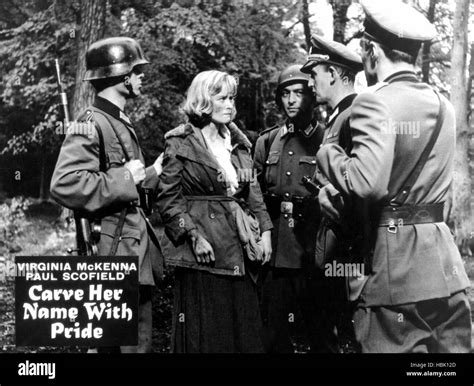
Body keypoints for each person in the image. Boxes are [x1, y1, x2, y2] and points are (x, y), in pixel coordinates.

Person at [315, 0, 472, 353]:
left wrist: (329, 154)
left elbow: (368, 184)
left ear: (371, 51)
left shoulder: (373, 100)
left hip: (394, 270)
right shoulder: (443, 104)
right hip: (444, 270)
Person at [50, 37, 163, 353]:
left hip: (131, 252)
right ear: (122, 75)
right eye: (137, 71)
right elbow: (65, 183)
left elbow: (128, 190)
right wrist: (127, 176)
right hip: (111, 253)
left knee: (138, 345)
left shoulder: (118, 122)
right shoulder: (92, 122)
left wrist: (153, 172)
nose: (142, 77)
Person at [157, 70, 273, 353]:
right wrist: (193, 236)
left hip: (239, 246)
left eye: (232, 97)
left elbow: (253, 192)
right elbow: (168, 199)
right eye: (221, 98)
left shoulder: (239, 142)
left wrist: (267, 232)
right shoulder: (180, 141)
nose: (230, 104)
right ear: (204, 101)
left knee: (243, 327)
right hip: (204, 252)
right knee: (207, 331)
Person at [253, 65, 331, 352]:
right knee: (273, 333)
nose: (291, 100)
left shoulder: (327, 139)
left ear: (312, 97)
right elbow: (255, 192)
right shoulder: (267, 140)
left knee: (320, 331)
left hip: (312, 246)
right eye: (285, 94)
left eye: (299, 93)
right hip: (276, 247)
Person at [300, 34, 363, 350]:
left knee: (344, 332)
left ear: (334, 73)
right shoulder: (341, 115)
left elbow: (362, 185)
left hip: (347, 247)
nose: (310, 84)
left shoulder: (357, 115)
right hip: (331, 243)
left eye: (314, 75)